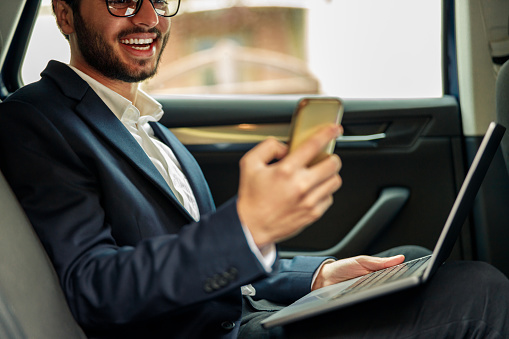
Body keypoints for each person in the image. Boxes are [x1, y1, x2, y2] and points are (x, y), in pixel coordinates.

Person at [0, 0, 508, 338]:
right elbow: (96, 288)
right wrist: (246, 228)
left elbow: (210, 264)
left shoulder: (144, 122)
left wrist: (323, 275)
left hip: (245, 314)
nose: (149, 17)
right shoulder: (37, 119)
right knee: (479, 291)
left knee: (412, 263)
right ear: (65, 14)